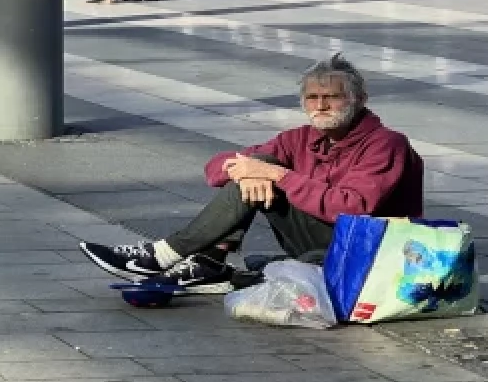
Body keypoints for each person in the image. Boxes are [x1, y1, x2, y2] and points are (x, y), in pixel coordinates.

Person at [79, 54, 425, 293]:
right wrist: (251, 171)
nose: (320, 106)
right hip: (322, 242)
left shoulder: (385, 144)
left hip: (371, 252)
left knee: (267, 172)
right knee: (256, 164)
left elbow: (351, 207)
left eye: (332, 98)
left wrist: (276, 175)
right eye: (312, 98)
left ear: (358, 99)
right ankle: (209, 262)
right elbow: (218, 167)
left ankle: (169, 255)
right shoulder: (300, 138)